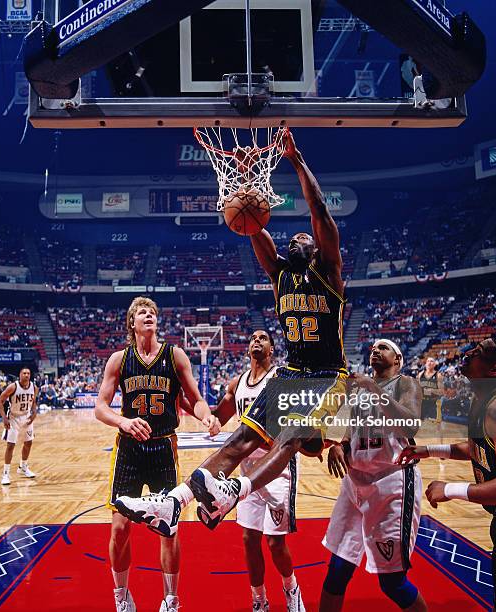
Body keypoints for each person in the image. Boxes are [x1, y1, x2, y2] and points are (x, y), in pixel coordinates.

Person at [116, 130, 347, 548]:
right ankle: (175, 502)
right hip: (293, 373)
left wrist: (295, 161)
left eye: (304, 238)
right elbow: (255, 228)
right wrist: (244, 179)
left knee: (291, 437)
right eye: (291, 237)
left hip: (328, 374)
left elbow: (320, 212)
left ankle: (234, 492)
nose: (298, 238)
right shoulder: (280, 276)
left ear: (315, 248)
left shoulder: (328, 272)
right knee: (239, 437)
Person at [94, 297, 220, 612]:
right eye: (141, 312)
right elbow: (100, 407)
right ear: (131, 324)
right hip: (129, 450)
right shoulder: (118, 360)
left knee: (169, 528)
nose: (148, 315)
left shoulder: (174, 355)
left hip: (164, 448)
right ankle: (122, 597)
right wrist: (123, 421)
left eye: (152, 312)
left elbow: (196, 398)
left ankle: (171, 600)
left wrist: (207, 416)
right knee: (120, 528)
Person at [397, 337, 496, 612]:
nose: (470, 352)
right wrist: (429, 450)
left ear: (494, 370)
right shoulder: (485, 400)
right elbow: (479, 448)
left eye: (480, 351)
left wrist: (449, 489)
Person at [320, 339, 427, 611]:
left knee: (392, 582)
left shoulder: (407, 384)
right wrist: (339, 446)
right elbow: (351, 428)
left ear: (398, 360)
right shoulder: (360, 391)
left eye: (383, 347)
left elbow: (410, 424)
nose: (375, 351)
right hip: (355, 483)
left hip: (391, 483)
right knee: (336, 572)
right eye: (373, 348)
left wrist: (372, 388)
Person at [214, 330, 304, 612]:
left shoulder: (280, 378)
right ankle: (259, 598)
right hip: (248, 471)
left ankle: (292, 590)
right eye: (253, 337)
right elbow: (219, 417)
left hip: (277, 469)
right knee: (248, 538)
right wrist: (200, 412)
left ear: (272, 350)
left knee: (275, 543)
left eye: (263, 338)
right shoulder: (238, 383)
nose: (257, 340)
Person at [0, 367, 37, 485]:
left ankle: (23, 467)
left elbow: (34, 402)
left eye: (28, 373)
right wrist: (4, 417)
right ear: (20, 375)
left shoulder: (34, 387)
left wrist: (34, 413)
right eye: (24, 373)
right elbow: (0, 401)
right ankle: (5, 474)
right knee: (10, 445)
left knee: (28, 443)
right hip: (13, 418)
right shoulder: (13, 387)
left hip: (27, 417)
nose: (26, 375)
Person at [417, 357, 444, 422]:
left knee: (433, 426)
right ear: (425, 364)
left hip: (433, 403)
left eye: (431, 361)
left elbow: (442, 392)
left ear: (434, 364)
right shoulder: (420, 374)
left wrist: (431, 390)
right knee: (419, 426)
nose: (429, 362)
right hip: (422, 403)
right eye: (428, 361)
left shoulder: (438, 375)